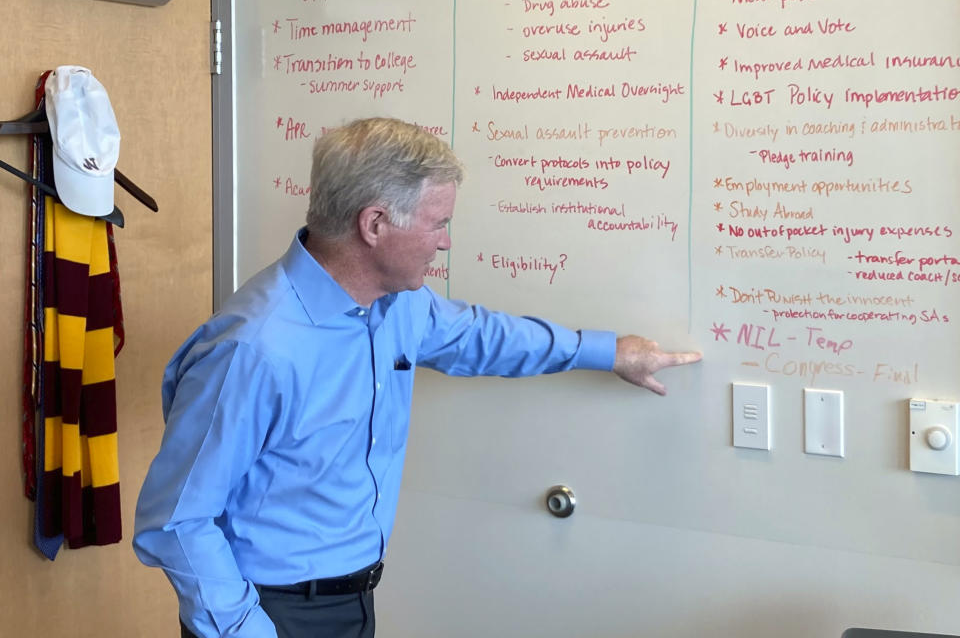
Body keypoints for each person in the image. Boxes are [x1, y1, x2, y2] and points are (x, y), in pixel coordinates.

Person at [133, 117, 701, 638]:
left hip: (353, 600)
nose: (445, 241)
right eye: (439, 223)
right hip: (267, 613)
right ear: (375, 223)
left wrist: (608, 352)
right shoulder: (252, 349)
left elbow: (483, 337)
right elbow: (176, 519)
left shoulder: (398, 306)